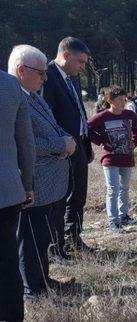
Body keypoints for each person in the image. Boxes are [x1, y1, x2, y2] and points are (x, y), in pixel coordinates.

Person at [10, 45, 77, 298]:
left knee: (41, 238)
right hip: (31, 184)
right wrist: (61, 145)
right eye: (40, 73)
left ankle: (43, 279)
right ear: (20, 70)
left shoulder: (34, 95)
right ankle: (33, 290)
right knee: (29, 241)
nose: (45, 77)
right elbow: (20, 145)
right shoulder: (14, 99)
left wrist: (66, 139)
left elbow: (53, 126)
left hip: (49, 186)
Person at [42, 36, 94, 254]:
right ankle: (56, 246)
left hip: (79, 144)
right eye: (80, 62)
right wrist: (61, 144)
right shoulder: (47, 76)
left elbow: (79, 112)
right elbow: (47, 117)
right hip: (62, 148)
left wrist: (86, 144)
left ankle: (74, 238)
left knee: (78, 194)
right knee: (60, 198)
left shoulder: (72, 77)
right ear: (65, 55)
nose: (83, 67)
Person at [0, 68, 35, 322]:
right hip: (7, 190)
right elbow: (25, 141)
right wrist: (27, 182)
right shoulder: (10, 85)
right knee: (7, 264)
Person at [88, 85, 137, 234]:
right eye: (119, 100)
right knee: (113, 189)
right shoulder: (102, 116)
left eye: (124, 99)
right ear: (110, 101)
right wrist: (102, 140)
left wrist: (133, 142)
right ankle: (113, 221)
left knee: (124, 187)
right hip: (110, 158)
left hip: (126, 157)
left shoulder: (130, 115)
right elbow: (87, 128)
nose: (123, 102)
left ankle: (123, 216)